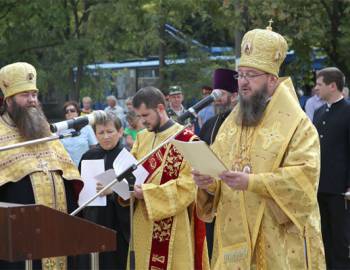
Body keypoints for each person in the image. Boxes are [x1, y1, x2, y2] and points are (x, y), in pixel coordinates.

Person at [193, 24, 325, 269]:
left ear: (272, 80)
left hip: (277, 238)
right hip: (234, 238)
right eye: (240, 75)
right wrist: (208, 184)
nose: (242, 82)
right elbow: (220, 173)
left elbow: (304, 180)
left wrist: (252, 183)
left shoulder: (298, 125)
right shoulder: (232, 123)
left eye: (250, 75)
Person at [0, 62, 82, 270]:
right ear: (9, 99)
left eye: (34, 94)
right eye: (25, 95)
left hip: (60, 231)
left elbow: (70, 177)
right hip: (19, 237)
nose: (32, 100)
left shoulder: (45, 130)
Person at [130, 86, 209, 270]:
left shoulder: (187, 140)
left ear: (160, 108)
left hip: (174, 227)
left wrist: (148, 194)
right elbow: (130, 172)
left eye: (145, 115)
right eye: (139, 117)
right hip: (142, 223)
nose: (142, 121)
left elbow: (188, 187)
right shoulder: (142, 138)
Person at [78, 113, 129, 270]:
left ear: (120, 132)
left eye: (110, 131)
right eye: (101, 133)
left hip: (118, 224)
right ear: (95, 134)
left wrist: (113, 191)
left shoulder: (127, 156)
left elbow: (136, 190)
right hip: (93, 219)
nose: (106, 137)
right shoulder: (88, 156)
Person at [198, 68, 238, 262]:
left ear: (234, 95)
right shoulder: (209, 123)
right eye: (215, 94)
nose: (217, 98)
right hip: (210, 195)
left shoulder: (241, 123)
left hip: (232, 195)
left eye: (221, 94)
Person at [313, 67, 350, 269]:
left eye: (319, 84)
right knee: (323, 236)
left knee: (340, 239)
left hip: (340, 189)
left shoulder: (348, 112)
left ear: (332, 85)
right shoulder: (319, 113)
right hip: (320, 186)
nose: (316, 88)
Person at [59, 101, 97, 166]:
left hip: (85, 166)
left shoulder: (87, 127)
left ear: (78, 113)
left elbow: (94, 147)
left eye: (72, 110)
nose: (69, 113)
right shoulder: (60, 130)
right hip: (67, 168)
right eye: (66, 111)